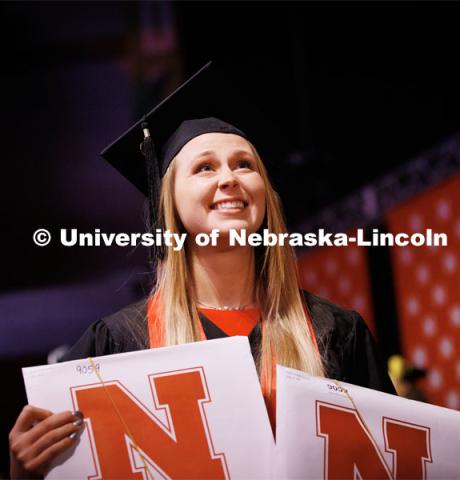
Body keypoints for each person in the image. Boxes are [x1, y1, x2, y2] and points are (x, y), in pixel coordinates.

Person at [9, 63, 395, 478]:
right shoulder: (119, 342)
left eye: (244, 164)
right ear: (169, 203)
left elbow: (396, 460)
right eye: (205, 167)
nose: (229, 178)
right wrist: (22, 473)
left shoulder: (335, 331)